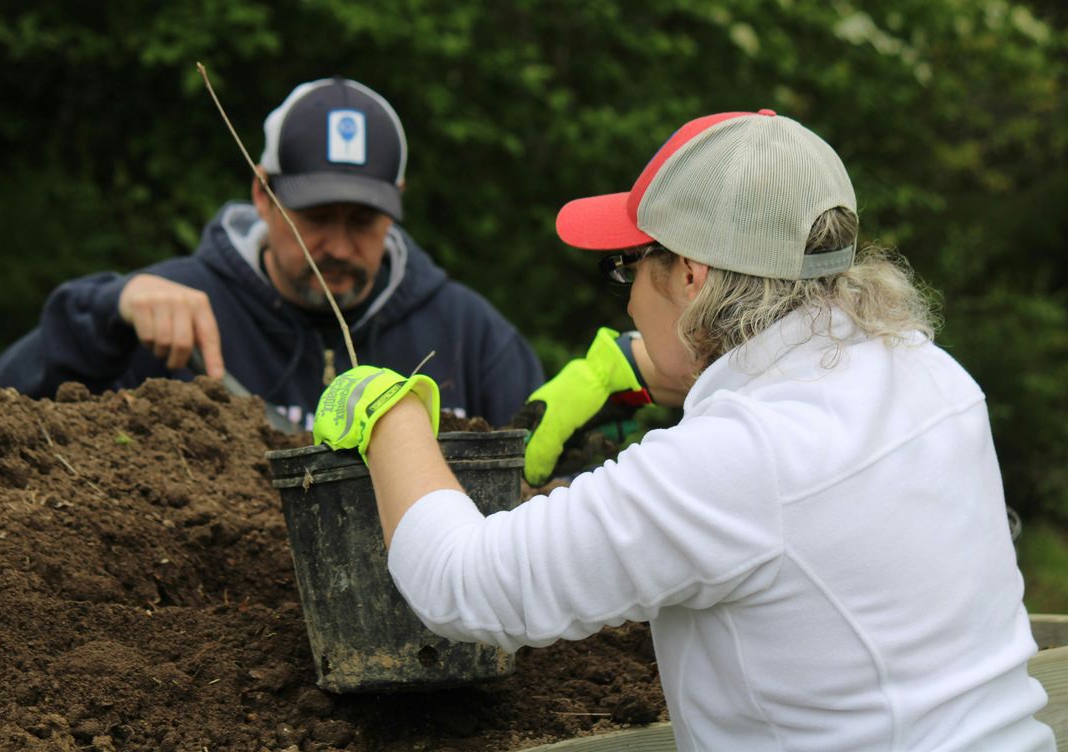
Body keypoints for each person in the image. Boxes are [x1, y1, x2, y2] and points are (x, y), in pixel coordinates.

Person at [311, 110, 1054, 750]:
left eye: (630, 266)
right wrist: (649, 363)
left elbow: (462, 585)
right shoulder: (933, 378)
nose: (628, 298)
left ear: (692, 276)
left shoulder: (744, 459)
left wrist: (389, 411)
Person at [0, 77, 543, 428]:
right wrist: (109, 311)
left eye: (364, 221)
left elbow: (555, 493)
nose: (340, 247)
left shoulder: (472, 339)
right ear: (262, 193)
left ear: (396, 203)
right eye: (317, 219)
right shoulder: (168, 313)